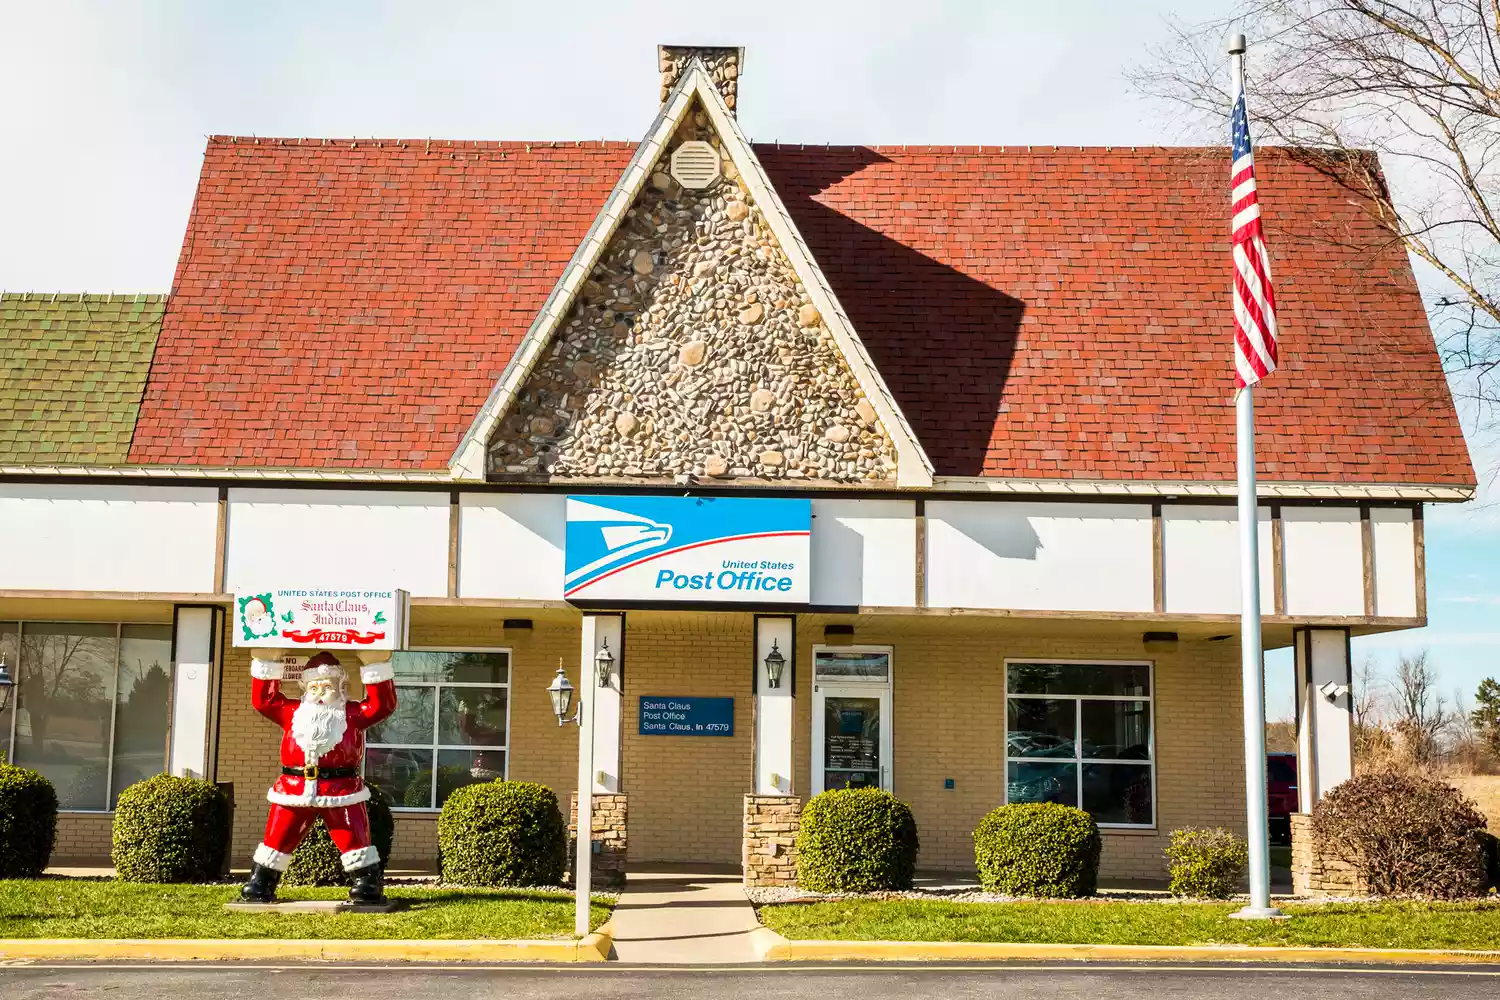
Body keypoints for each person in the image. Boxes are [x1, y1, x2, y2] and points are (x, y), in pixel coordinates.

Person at [239, 649, 397, 904]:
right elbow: (264, 702)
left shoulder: (353, 714)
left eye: (327, 686)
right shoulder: (291, 712)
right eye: (315, 686)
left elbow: (382, 705)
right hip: (294, 787)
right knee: (278, 835)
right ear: (304, 687)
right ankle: (262, 881)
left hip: (341, 789)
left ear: (341, 686)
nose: (321, 692)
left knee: (353, 837)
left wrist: (374, 664)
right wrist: (267, 661)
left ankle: (366, 882)